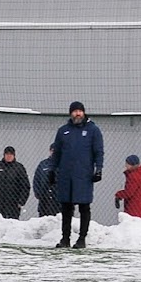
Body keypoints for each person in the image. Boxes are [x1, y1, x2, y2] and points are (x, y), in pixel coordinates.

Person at [52, 101, 104, 248]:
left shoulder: (93, 130)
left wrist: (98, 169)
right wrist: (51, 170)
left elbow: (98, 152)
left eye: (80, 111)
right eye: (74, 111)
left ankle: (82, 239)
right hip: (65, 176)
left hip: (84, 176)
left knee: (84, 207)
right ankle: (65, 239)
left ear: (84, 112)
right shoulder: (63, 131)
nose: (77, 114)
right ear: (70, 113)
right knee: (66, 208)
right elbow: (57, 153)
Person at [0, 146, 31, 219]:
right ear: (4, 155)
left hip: (13, 203)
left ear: (14, 155)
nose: (9, 156)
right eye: (7, 154)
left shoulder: (19, 168)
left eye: (11, 154)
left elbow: (25, 186)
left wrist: (21, 201)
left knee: (12, 224)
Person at [114, 154, 141, 219]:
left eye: (127, 163)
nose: (125, 165)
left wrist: (118, 195)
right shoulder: (140, 174)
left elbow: (129, 192)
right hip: (139, 207)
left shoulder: (133, 176)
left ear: (132, 165)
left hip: (133, 208)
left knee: (131, 226)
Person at [33, 143, 61, 217]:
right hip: (45, 200)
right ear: (50, 151)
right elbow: (36, 179)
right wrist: (38, 193)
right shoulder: (43, 164)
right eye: (53, 150)